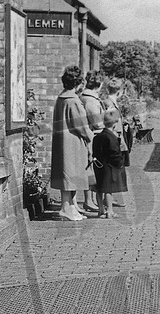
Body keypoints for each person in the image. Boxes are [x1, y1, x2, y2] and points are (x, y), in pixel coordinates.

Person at [50, 65, 93, 221]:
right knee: (71, 174)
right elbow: (81, 126)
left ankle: (71, 207)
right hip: (73, 143)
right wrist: (91, 137)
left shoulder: (61, 98)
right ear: (79, 83)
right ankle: (66, 208)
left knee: (67, 174)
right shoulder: (73, 100)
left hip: (62, 141)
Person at [92, 109, 127, 219]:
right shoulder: (112, 138)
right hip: (109, 167)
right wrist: (120, 163)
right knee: (108, 189)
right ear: (115, 124)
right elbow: (115, 153)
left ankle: (101, 210)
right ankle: (110, 211)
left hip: (98, 165)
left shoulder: (98, 136)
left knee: (99, 188)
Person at [78, 71, 105, 213]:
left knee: (90, 167)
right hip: (92, 138)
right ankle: (88, 200)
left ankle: (91, 200)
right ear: (99, 84)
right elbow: (97, 122)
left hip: (89, 137)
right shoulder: (91, 100)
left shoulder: (85, 97)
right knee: (91, 169)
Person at [103, 77, 129, 207]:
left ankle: (109, 197)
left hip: (115, 138)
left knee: (114, 170)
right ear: (120, 91)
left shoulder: (111, 102)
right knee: (112, 170)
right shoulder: (109, 103)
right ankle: (108, 198)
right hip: (113, 139)